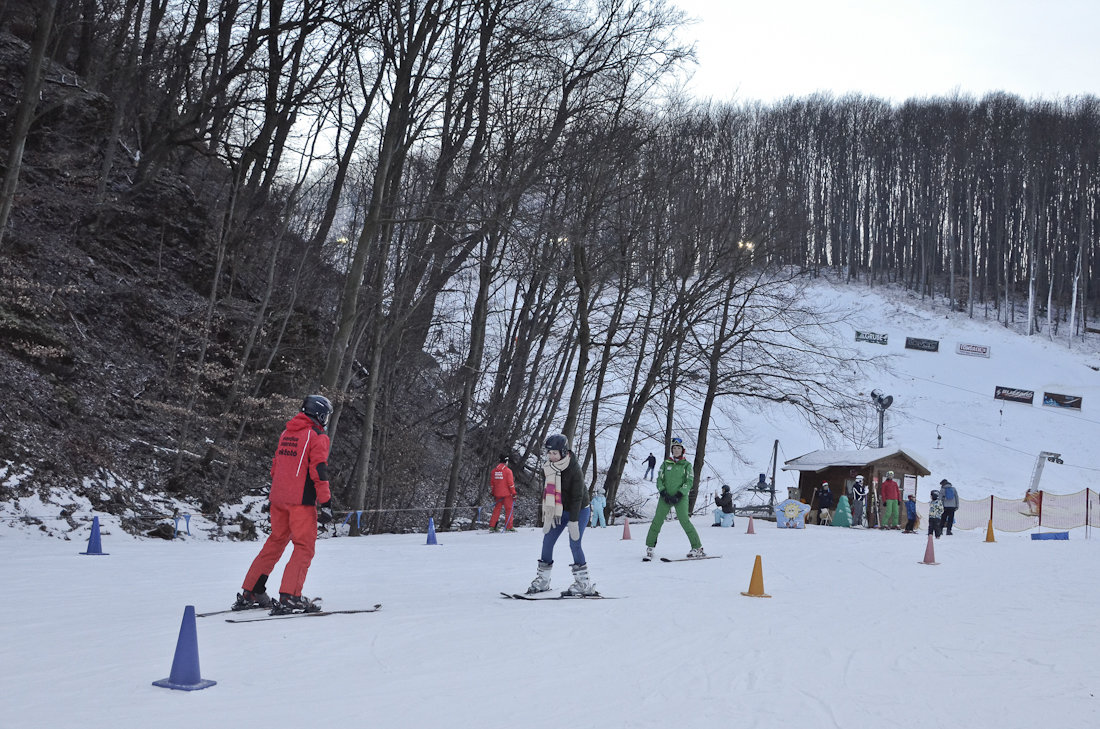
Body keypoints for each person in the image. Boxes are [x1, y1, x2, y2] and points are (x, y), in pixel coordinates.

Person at [236, 395, 334, 614]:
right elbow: (319, 470)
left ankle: (251, 590)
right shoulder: (317, 436)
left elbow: (276, 466)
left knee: (275, 542)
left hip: (278, 498)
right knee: (304, 546)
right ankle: (290, 596)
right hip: (300, 502)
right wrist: (325, 502)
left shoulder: (286, 433)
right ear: (318, 414)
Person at [527, 434, 595, 596]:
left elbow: (578, 497)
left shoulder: (574, 470)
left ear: (564, 453)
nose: (551, 457)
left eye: (555, 453)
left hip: (579, 510)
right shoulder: (549, 468)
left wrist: (573, 522)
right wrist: (548, 514)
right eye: (549, 453)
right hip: (559, 510)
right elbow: (548, 492)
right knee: (547, 541)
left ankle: (583, 584)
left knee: (575, 544)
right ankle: (543, 581)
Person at [644, 437, 705, 559]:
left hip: (680, 498)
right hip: (665, 497)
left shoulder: (686, 465)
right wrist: (663, 492)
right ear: (672, 450)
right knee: (657, 520)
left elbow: (689, 481)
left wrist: (680, 494)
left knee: (684, 521)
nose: (676, 450)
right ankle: (650, 547)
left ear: (682, 450)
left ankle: (697, 547)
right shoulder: (666, 463)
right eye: (674, 448)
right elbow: (659, 479)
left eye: (678, 448)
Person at [488, 454, 516, 532]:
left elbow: (492, 484)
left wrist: (493, 493)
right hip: (507, 494)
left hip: (497, 494)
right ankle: (508, 527)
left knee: (496, 510)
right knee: (509, 509)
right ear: (506, 461)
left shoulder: (494, 471)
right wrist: (514, 493)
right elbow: (511, 484)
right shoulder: (508, 471)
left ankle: (492, 526)